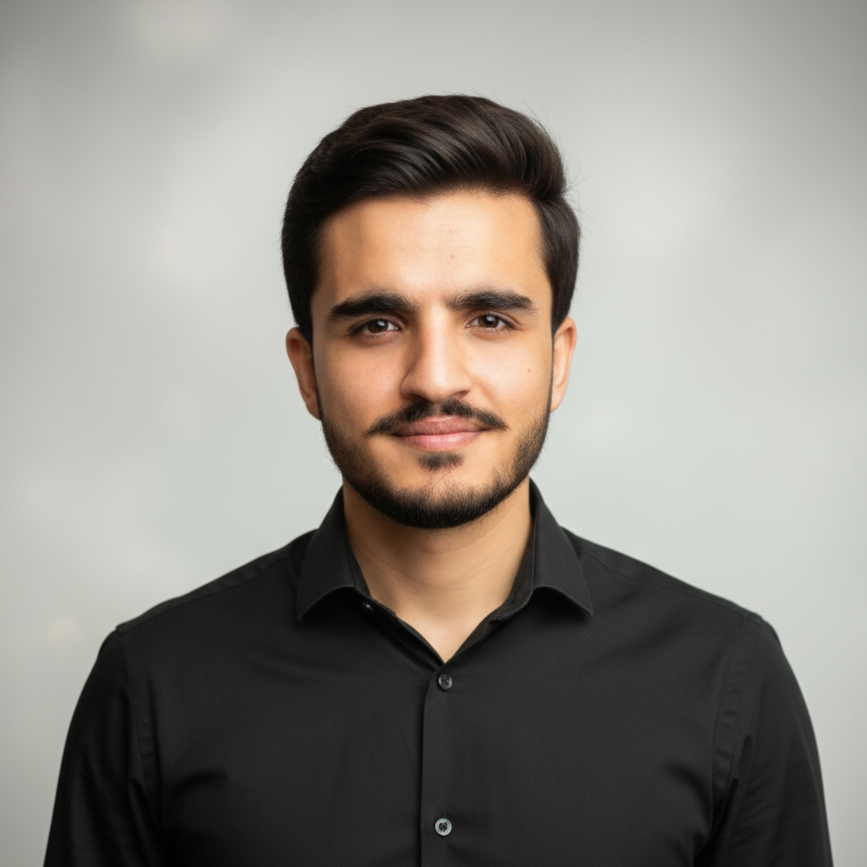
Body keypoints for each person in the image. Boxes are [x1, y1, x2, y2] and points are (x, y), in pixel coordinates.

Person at [44, 95, 833, 866]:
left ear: (556, 359)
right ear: (307, 370)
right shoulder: (152, 683)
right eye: (376, 324)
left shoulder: (727, 675)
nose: (434, 377)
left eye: (489, 319)